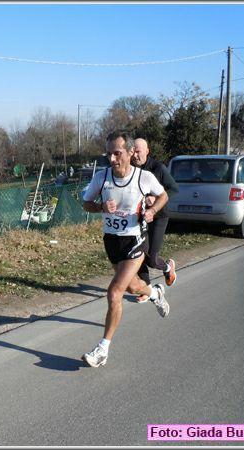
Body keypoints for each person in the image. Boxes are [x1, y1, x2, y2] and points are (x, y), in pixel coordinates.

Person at [81, 131, 170, 368]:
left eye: (117, 153)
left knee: (114, 292)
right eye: (108, 153)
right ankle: (155, 293)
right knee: (132, 287)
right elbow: (85, 203)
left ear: (130, 152)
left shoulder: (144, 178)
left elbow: (163, 195)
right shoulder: (102, 177)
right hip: (111, 241)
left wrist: (152, 211)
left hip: (135, 242)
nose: (112, 159)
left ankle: (102, 349)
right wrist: (101, 207)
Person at [131, 138, 179, 303]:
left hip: (159, 216)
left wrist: (156, 198)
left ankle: (167, 267)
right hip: (140, 218)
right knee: (138, 254)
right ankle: (147, 288)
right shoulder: (131, 169)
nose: (135, 155)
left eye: (138, 151)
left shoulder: (158, 168)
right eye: (133, 151)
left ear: (147, 151)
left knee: (151, 258)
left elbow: (173, 189)